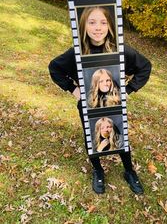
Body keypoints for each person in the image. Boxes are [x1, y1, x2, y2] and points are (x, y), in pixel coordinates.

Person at [48, 33, 151, 195]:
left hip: (114, 103)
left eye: (102, 23)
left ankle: (129, 171)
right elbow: (54, 67)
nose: (97, 29)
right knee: (92, 137)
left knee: (119, 135)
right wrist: (73, 89)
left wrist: (128, 90)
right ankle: (98, 170)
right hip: (88, 105)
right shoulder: (78, 51)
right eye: (92, 23)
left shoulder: (119, 50)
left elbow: (145, 66)